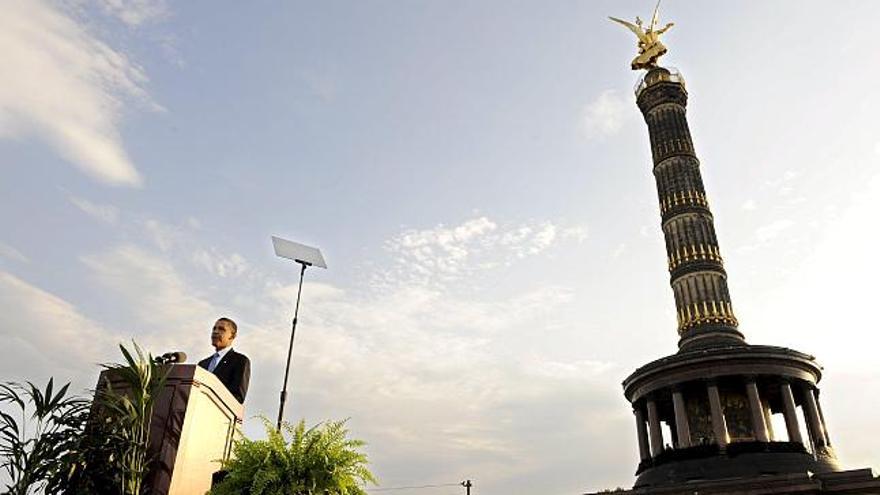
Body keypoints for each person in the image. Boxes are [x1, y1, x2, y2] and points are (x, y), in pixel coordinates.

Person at [198, 317, 251, 403]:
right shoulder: (202, 364)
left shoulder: (240, 361)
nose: (215, 332)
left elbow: (238, 397)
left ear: (232, 336)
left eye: (221, 329)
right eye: (214, 329)